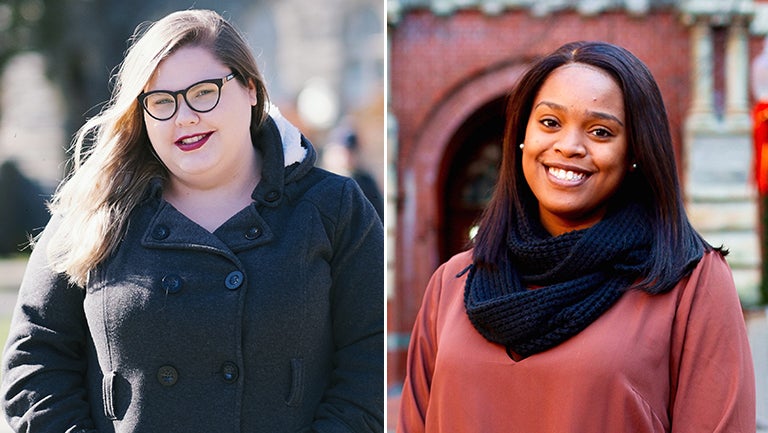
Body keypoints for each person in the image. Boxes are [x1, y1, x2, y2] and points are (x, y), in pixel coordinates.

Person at [1, 9, 383, 433]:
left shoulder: (332, 206)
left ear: (251, 89)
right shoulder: (96, 208)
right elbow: (34, 364)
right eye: (161, 101)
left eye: (203, 93)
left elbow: (371, 361)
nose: (184, 116)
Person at [397, 41, 755, 432]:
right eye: (550, 123)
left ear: (635, 151)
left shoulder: (690, 284)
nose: (568, 147)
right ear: (522, 136)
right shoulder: (451, 284)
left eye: (601, 132)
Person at [321, 127, 384, 221]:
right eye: (343, 151)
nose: (347, 156)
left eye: (351, 151)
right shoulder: (321, 182)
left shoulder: (365, 182)